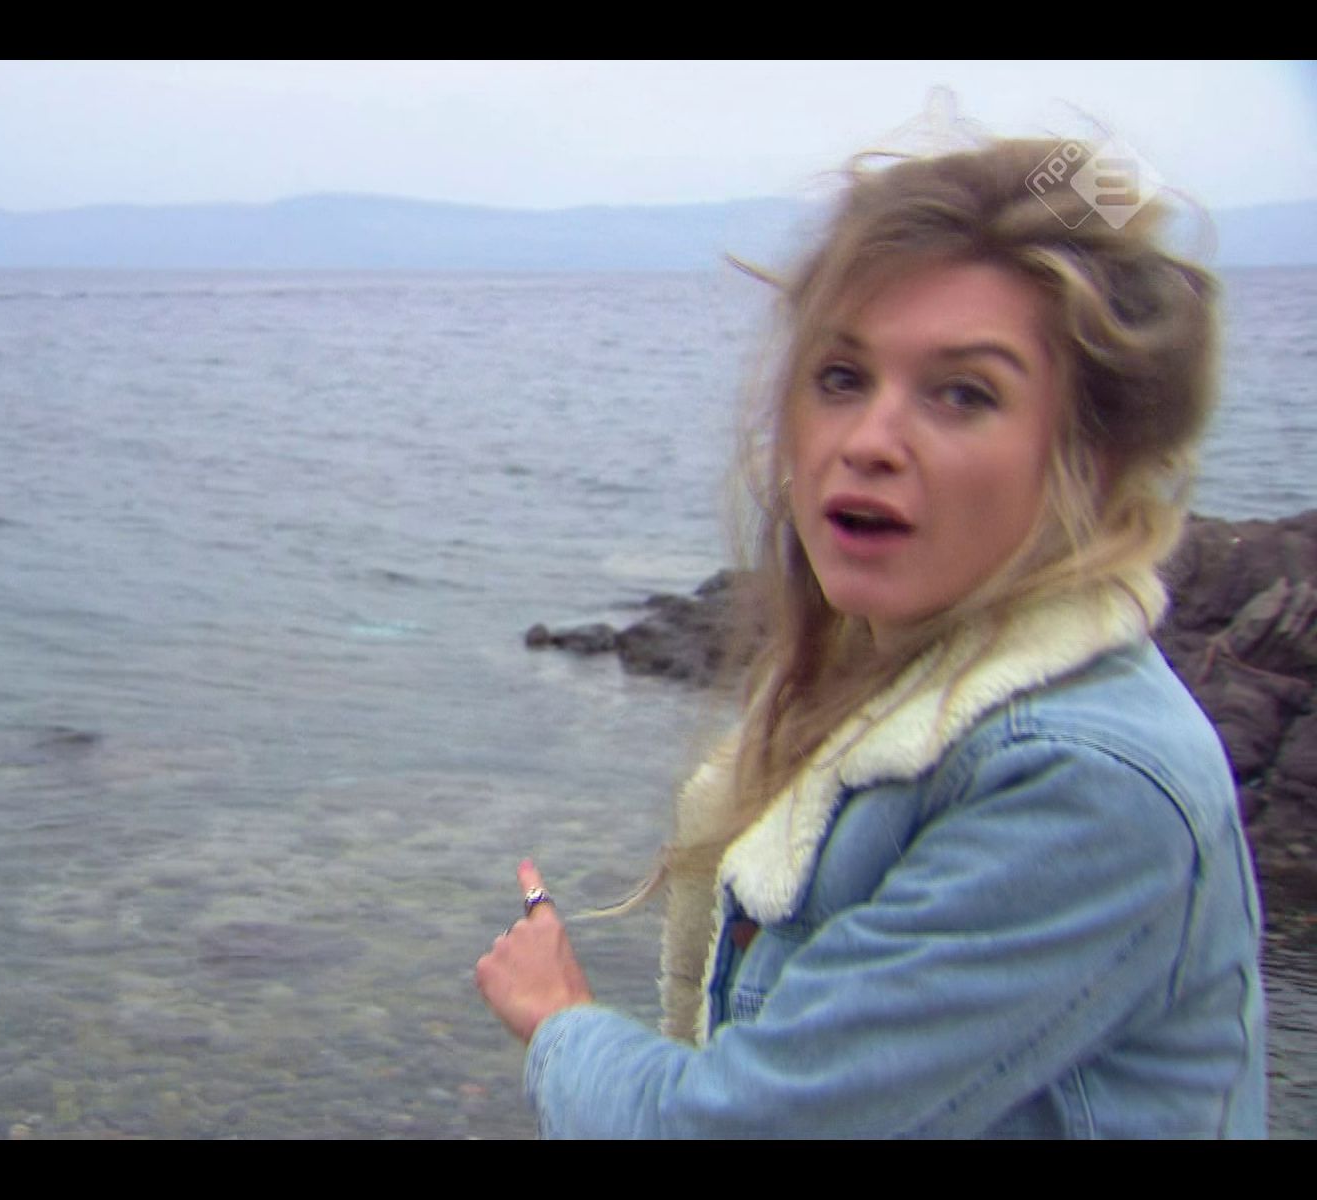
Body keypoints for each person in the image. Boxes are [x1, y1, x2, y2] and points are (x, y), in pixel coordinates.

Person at [475, 136, 1267, 1138]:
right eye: (842, 376)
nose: (868, 441)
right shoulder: (887, 685)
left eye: (964, 393)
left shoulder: (1083, 778)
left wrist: (558, 1020)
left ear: (1091, 458)